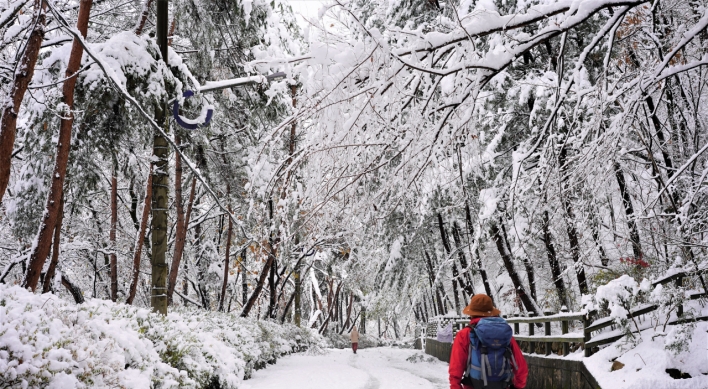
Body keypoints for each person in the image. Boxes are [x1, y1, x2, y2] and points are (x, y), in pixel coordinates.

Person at [449, 294, 528, 389]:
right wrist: (517, 386)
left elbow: (455, 369)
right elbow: (521, 367)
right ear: (491, 312)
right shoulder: (504, 334)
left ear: (471, 313)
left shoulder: (465, 334)